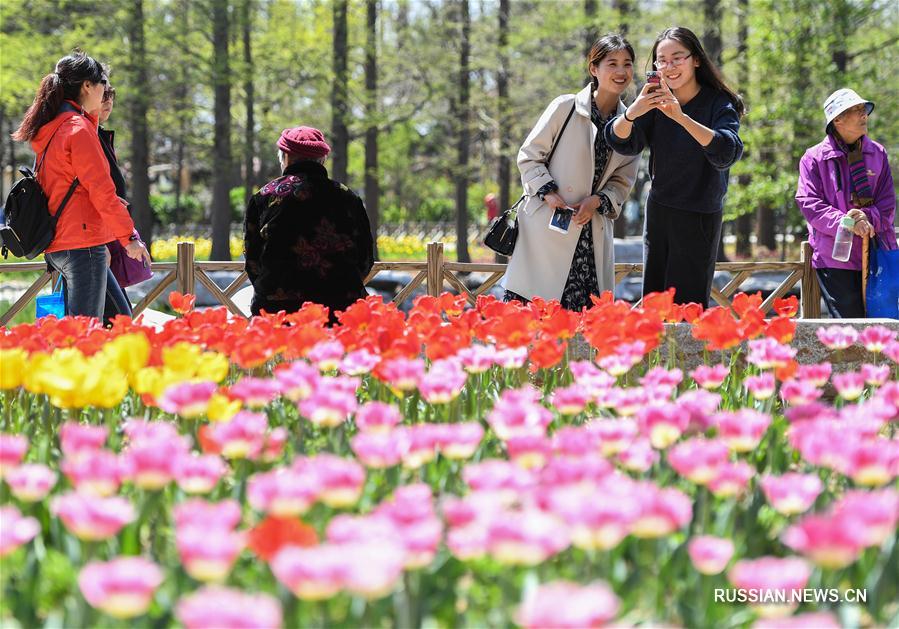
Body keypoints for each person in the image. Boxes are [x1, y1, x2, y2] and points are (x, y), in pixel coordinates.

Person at [605, 26, 744, 308]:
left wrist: (681, 118)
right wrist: (633, 112)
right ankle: (658, 354)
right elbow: (622, 142)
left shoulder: (719, 103)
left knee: (688, 307)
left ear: (695, 60)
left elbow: (726, 151)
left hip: (700, 213)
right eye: (662, 60)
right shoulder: (655, 100)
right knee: (655, 304)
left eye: (677, 58)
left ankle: (688, 354)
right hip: (660, 211)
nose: (669, 67)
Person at [503, 34, 640, 310]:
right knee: (534, 322)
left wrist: (597, 201)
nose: (621, 71)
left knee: (583, 330)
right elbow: (529, 157)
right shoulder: (565, 107)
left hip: (591, 235)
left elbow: (622, 181)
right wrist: (549, 194)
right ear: (594, 68)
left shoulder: (632, 122)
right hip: (547, 228)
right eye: (612, 63)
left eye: (627, 64)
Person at [11, 52, 150, 319]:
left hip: (59, 244)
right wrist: (129, 238)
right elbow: (102, 192)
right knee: (84, 335)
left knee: (120, 320)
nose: (106, 92)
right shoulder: (78, 129)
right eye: (103, 85)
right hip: (82, 245)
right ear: (87, 86)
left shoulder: (52, 127)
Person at [243, 126, 374, 322]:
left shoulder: (264, 197)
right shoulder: (347, 197)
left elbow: (252, 261)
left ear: (285, 157)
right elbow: (365, 258)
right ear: (322, 159)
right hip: (339, 310)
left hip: (278, 312)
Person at [796, 88, 896, 318]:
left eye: (864, 110)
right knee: (848, 327)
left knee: (884, 325)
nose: (864, 116)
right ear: (837, 119)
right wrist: (847, 221)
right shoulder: (814, 158)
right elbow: (809, 203)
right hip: (835, 257)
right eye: (856, 110)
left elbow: (887, 203)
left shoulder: (878, 153)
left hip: (876, 252)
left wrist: (867, 218)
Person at [96, 84, 142, 322]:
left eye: (110, 97)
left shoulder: (98, 134)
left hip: (105, 237)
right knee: (118, 319)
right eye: (103, 96)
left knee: (115, 317)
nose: (108, 102)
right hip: (93, 241)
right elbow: (94, 191)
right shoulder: (84, 133)